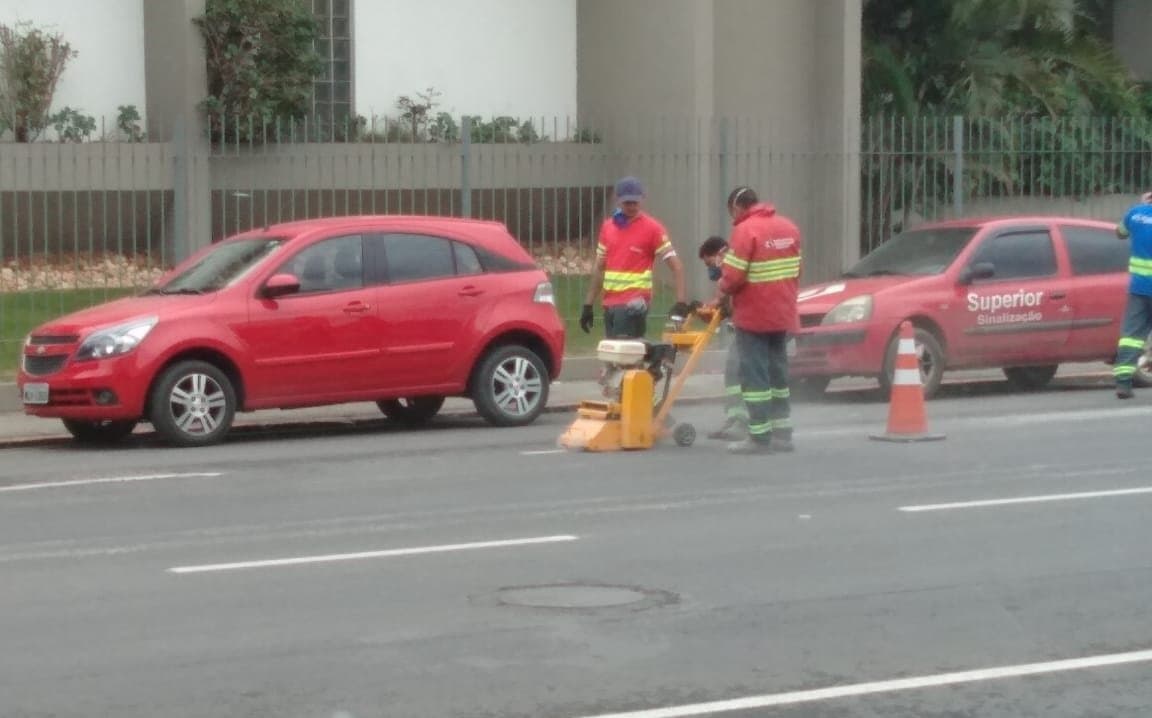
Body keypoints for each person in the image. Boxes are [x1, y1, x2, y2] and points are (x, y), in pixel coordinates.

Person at [716, 186, 802, 454]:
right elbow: (796, 270)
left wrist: (722, 285)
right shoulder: (789, 228)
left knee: (754, 377)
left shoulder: (745, 230)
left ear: (737, 207)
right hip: (783, 313)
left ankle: (759, 436)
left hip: (754, 316)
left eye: (732, 212)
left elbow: (733, 276)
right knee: (778, 373)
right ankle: (783, 433)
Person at [580, 176, 689, 339]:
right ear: (618, 200)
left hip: (634, 303)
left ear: (642, 200)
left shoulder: (653, 229)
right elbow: (599, 267)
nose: (631, 206)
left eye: (635, 202)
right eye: (627, 202)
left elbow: (677, 266)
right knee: (614, 356)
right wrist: (588, 304)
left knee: (624, 354)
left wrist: (681, 302)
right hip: (610, 304)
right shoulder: (608, 227)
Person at [698, 235, 749, 440]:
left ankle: (740, 421)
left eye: (709, 263)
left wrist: (716, 304)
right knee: (734, 372)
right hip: (745, 326)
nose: (710, 269)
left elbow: (727, 298)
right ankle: (735, 418)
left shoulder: (730, 267)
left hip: (748, 327)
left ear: (718, 254)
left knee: (735, 372)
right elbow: (725, 303)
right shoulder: (729, 270)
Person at [1113, 191, 1152, 399]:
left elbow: (1119, 232)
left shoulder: (1135, 214)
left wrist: (1141, 207)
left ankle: (1123, 383)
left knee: (1131, 336)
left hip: (1138, 288)